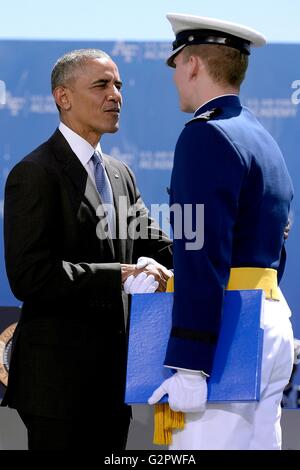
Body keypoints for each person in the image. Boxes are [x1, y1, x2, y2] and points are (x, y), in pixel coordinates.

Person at [2, 48, 172, 450]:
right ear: (63, 97)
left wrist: (225, 247)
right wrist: (119, 275)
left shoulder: (119, 174)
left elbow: (158, 246)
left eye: (118, 85)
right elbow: (29, 275)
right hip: (58, 388)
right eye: (101, 85)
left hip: (113, 384)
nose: (115, 95)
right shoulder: (33, 173)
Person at [148, 13, 294, 450]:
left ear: (192, 64)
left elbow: (200, 251)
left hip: (224, 337)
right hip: (268, 320)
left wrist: (190, 363)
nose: (174, 77)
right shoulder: (263, 139)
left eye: (175, 64)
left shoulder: (206, 136)